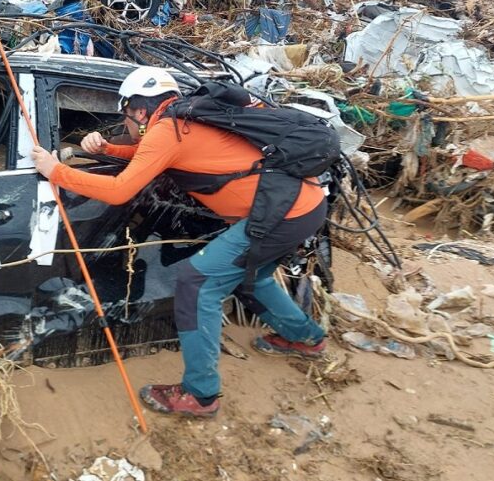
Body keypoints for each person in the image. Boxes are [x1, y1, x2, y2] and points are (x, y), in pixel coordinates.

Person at [30, 66, 328, 418]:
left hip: (280, 216)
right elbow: (151, 155)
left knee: (197, 283)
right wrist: (109, 147)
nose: (126, 122)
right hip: (304, 206)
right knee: (255, 279)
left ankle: (200, 396)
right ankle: (306, 339)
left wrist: (56, 171)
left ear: (140, 109)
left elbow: (119, 190)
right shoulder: (185, 119)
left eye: (126, 114)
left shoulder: (167, 130)